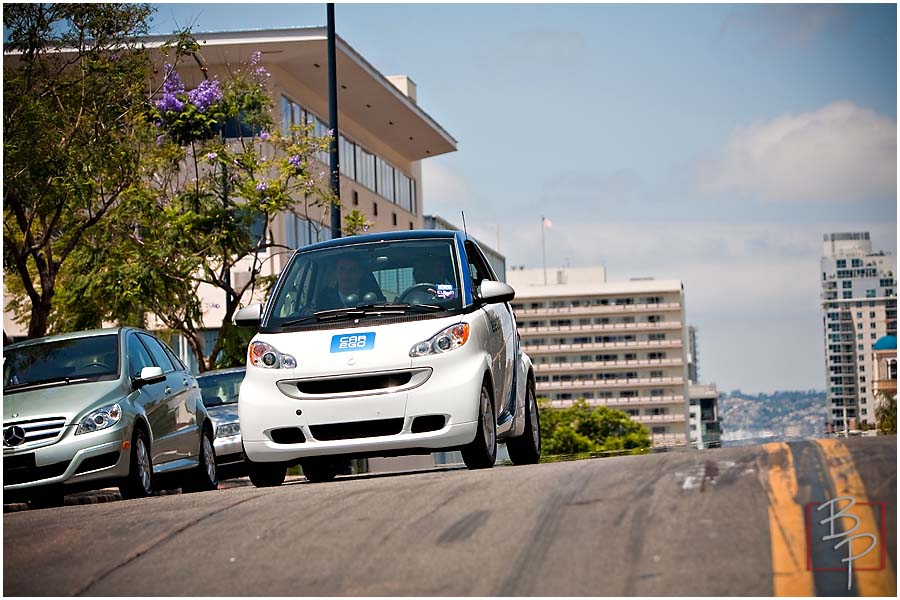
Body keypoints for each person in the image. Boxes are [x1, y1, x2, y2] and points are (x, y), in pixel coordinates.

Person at [315, 255, 384, 309]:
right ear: (335, 272)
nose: (346, 274)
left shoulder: (374, 299)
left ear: (360, 274)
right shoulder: (324, 301)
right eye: (342, 269)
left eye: (352, 269)